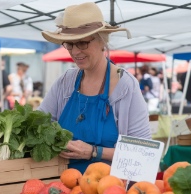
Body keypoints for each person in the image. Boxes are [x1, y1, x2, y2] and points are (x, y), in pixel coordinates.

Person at [38, 2, 150, 173]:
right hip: (60, 188)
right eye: (69, 44)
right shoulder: (65, 82)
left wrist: (93, 152)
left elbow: (143, 154)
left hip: (108, 193)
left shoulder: (126, 87)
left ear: (102, 41)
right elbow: (39, 124)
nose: (75, 51)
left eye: (82, 43)